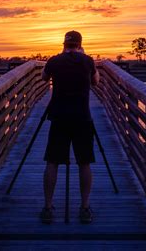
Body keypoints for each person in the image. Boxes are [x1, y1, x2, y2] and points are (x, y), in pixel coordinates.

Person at [40, 30, 99, 224]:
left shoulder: (54, 61)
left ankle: (48, 208)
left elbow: (43, 78)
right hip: (82, 117)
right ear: (80, 44)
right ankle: (84, 208)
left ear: (64, 44)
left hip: (59, 117)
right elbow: (96, 82)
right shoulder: (88, 61)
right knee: (84, 162)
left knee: (52, 161)